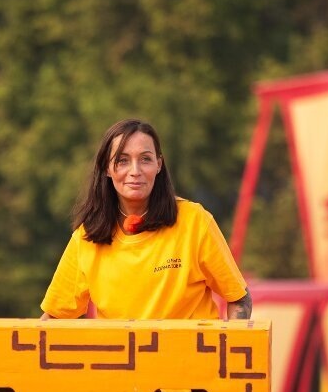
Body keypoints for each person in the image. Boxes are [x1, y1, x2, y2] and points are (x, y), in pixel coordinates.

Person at [41, 118, 251, 321]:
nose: (135, 171)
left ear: (159, 165)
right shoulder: (86, 236)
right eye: (122, 160)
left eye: (145, 159)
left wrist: (232, 342)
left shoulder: (195, 221)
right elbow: (53, 318)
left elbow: (239, 298)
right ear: (107, 168)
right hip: (119, 349)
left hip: (190, 347)